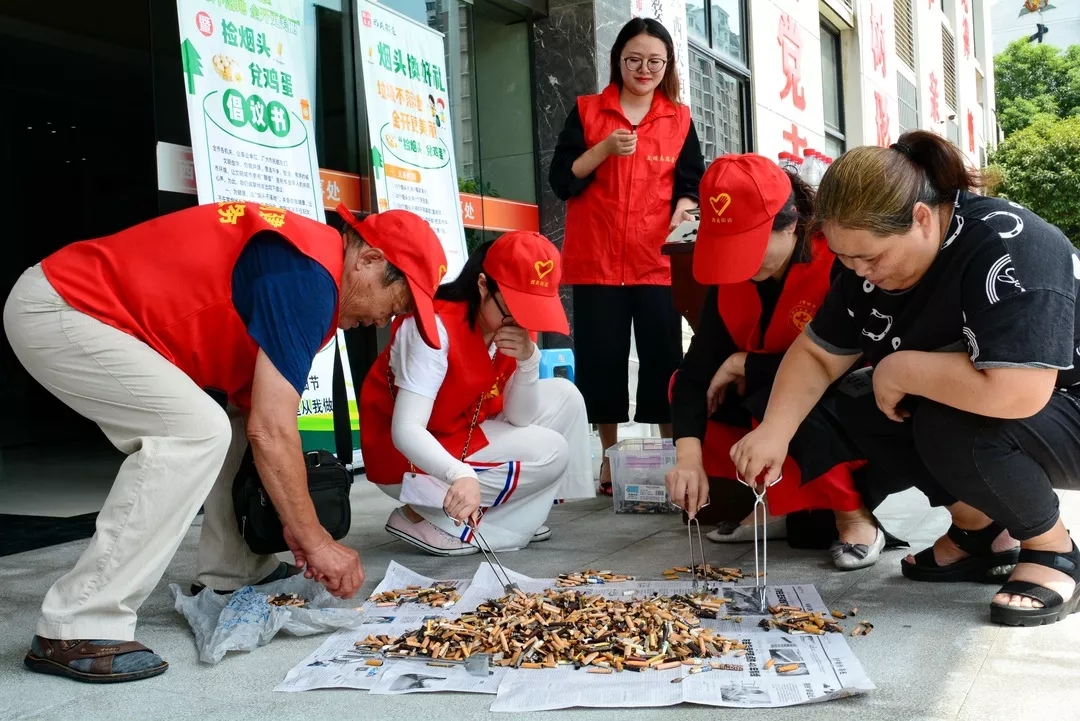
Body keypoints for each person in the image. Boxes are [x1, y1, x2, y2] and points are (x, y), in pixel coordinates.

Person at [3, 201, 447, 681]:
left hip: (83, 309)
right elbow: (272, 430)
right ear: (370, 260)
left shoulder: (311, 275)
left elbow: (263, 418)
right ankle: (76, 622)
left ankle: (234, 571)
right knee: (193, 431)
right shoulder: (308, 276)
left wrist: (297, 528)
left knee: (234, 421)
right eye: (396, 305)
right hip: (64, 307)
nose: (383, 321)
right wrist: (315, 541)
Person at [731, 130, 1080, 627]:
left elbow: (1018, 390)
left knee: (949, 423)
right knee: (856, 400)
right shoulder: (861, 265)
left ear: (921, 219)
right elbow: (818, 352)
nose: (860, 272)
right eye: (846, 258)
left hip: (1061, 400)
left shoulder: (1010, 248)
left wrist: (902, 368)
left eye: (870, 257)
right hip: (1014, 403)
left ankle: (1051, 548)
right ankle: (978, 528)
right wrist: (774, 431)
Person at [665, 154, 882, 570]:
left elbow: (858, 362)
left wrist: (749, 364)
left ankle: (853, 517)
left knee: (773, 398)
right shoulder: (733, 278)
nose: (740, 263)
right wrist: (687, 461)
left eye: (748, 245)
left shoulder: (840, 262)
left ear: (792, 222)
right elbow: (696, 372)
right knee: (683, 386)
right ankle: (777, 507)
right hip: (765, 402)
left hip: (849, 404)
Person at [360, 231, 595, 554]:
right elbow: (406, 430)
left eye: (533, 309)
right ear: (483, 285)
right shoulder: (434, 330)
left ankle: (514, 511)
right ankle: (431, 519)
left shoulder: (507, 323)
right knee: (552, 450)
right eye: (514, 308)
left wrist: (529, 360)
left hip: (460, 430)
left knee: (566, 396)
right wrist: (459, 474)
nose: (521, 321)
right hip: (406, 458)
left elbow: (521, 416)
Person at [549, 17, 706, 495]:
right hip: (597, 261)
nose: (644, 69)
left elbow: (692, 183)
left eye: (654, 61)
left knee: (663, 358)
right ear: (618, 59)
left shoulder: (679, 118)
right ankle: (610, 459)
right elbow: (562, 179)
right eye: (634, 59)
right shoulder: (588, 111)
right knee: (602, 360)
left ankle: (669, 455)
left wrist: (684, 207)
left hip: (656, 261)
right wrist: (603, 149)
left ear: (667, 65)